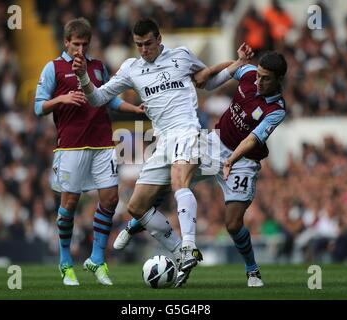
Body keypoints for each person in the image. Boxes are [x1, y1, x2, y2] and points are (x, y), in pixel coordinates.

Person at [73, 18, 233, 287]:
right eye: (138, 45)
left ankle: (190, 247)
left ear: (159, 39)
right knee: (136, 206)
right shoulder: (131, 68)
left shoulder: (181, 56)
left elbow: (208, 80)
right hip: (161, 141)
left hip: (186, 130)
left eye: (148, 44)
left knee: (179, 180)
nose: (144, 50)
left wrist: (234, 68)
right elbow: (98, 99)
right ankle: (180, 252)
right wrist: (82, 77)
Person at [114, 45, 288, 287]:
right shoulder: (248, 74)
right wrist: (231, 64)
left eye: (266, 79)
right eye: (258, 75)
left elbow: (251, 140)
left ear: (279, 80)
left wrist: (231, 160)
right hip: (214, 144)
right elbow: (223, 72)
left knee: (233, 224)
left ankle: (252, 270)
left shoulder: (276, 110)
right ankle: (135, 224)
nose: (258, 81)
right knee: (173, 178)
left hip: (242, 161)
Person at [34, 17, 144, 286]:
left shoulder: (98, 67)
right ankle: (64, 262)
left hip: (103, 143)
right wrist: (62, 99)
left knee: (110, 200)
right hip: (71, 146)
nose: (80, 50)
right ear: (66, 42)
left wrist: (134, 109)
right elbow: (38, 107)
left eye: (84, 44)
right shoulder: (54, 68)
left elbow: (110, 98)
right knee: (69, 205)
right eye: (76, 45)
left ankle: (97, 259)